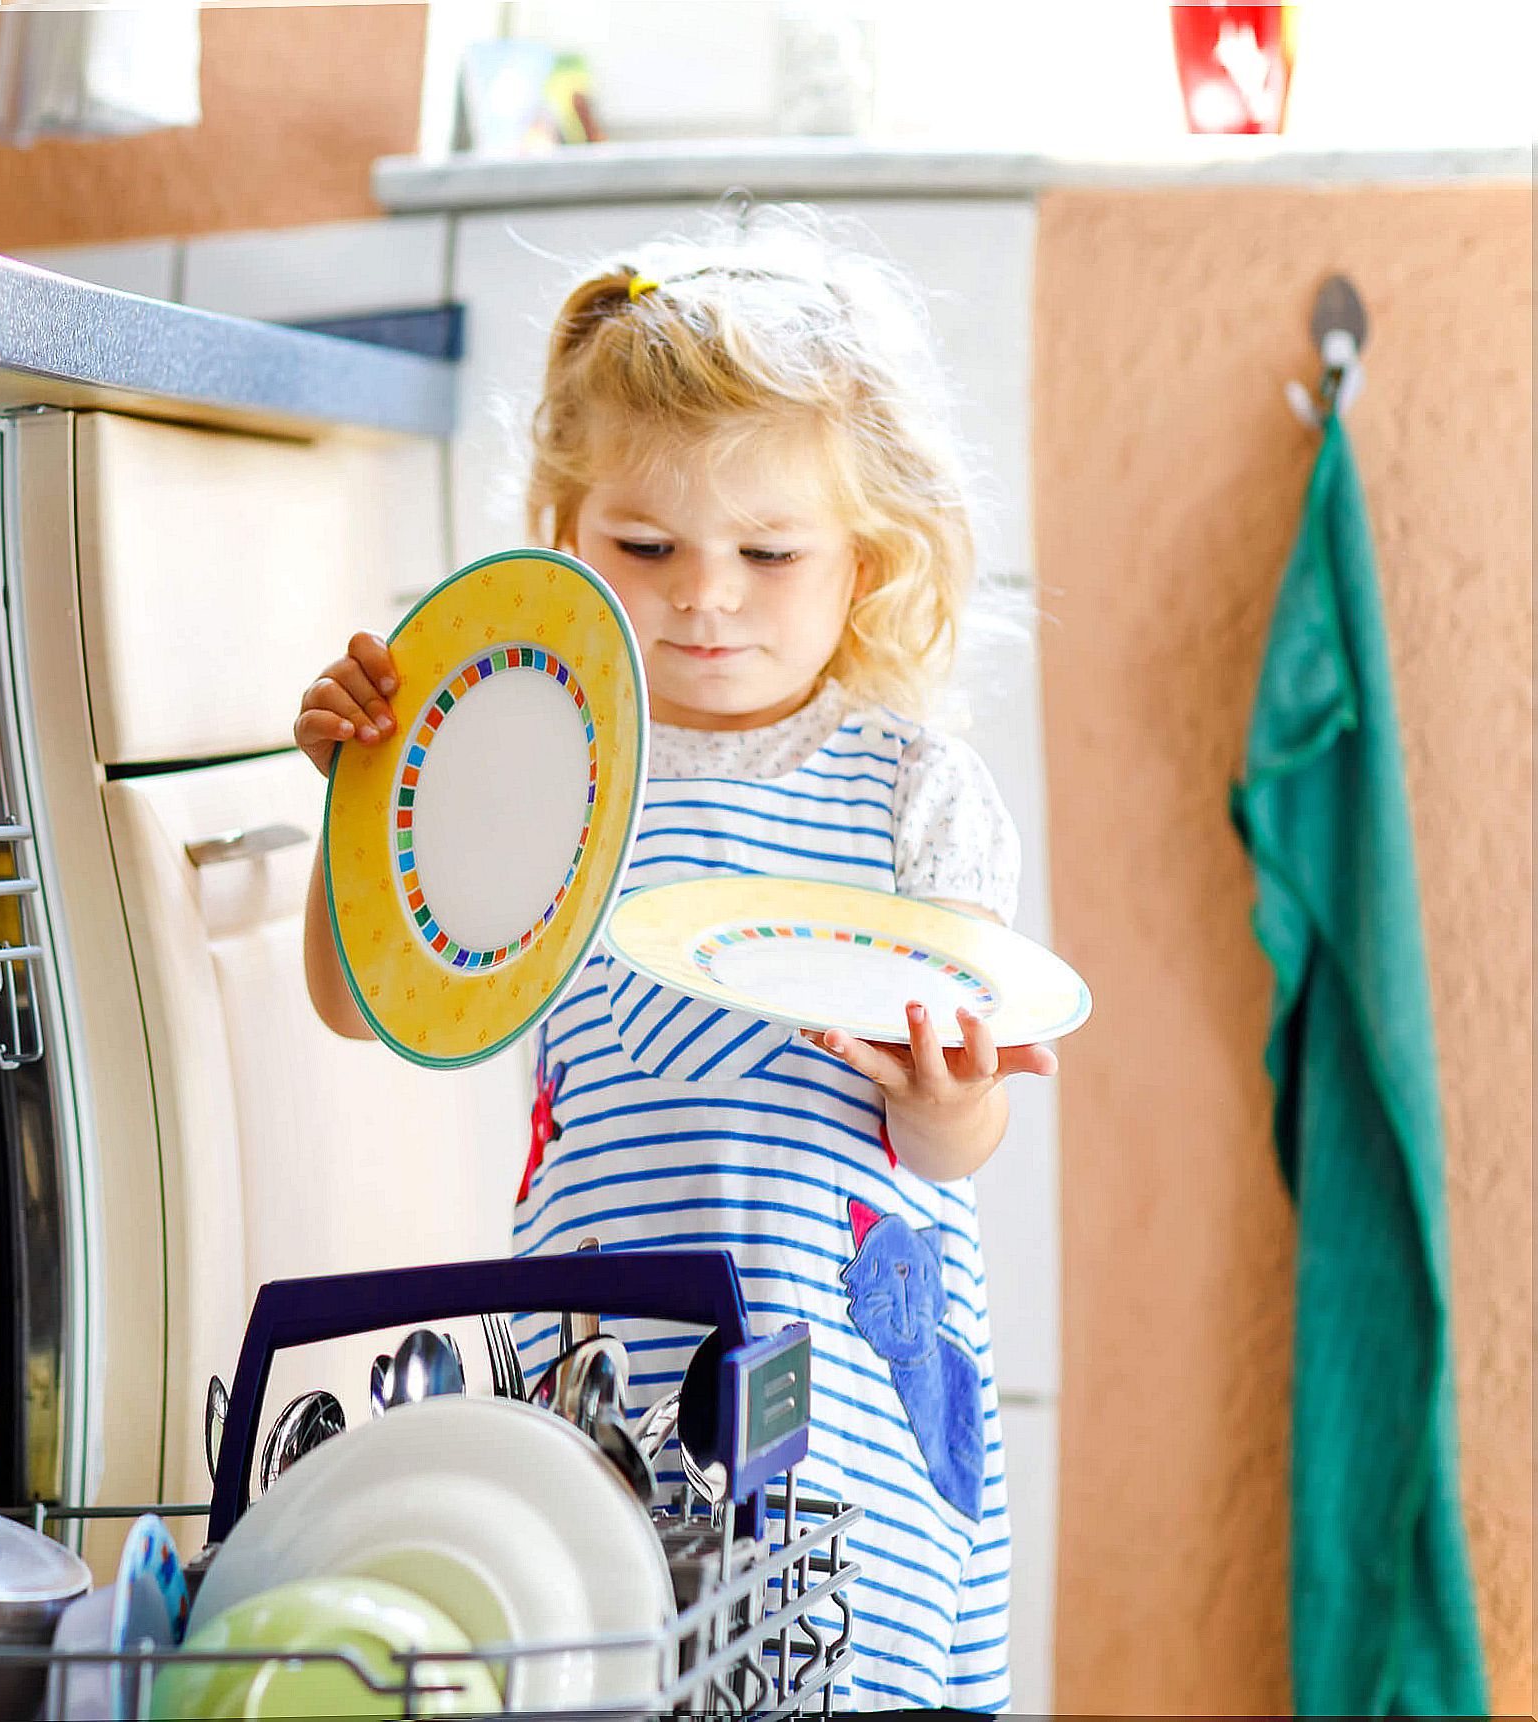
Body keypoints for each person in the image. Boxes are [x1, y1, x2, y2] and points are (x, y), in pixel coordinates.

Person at [296, 210, 1057, 1713]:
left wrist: (948, 1097)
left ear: (865, 559)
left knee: (821, 1672)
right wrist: (357, 805)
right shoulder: (537, 761)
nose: (702, 593)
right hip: (596, 1353)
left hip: (847, 1380)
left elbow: (957, 1135)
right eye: (643, 547)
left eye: (768, 552)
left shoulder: (907, 787)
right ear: (565, 535)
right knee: (597, 1655)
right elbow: (356, 1000)